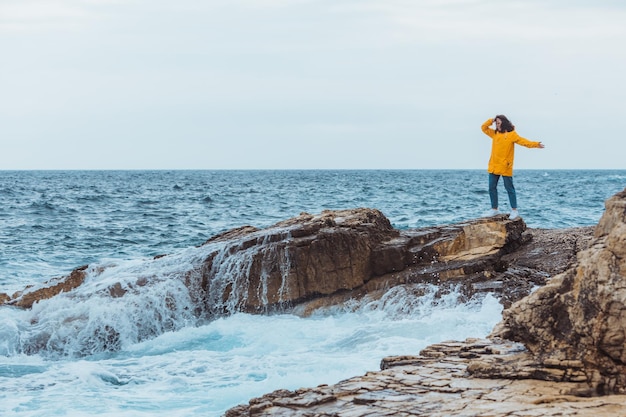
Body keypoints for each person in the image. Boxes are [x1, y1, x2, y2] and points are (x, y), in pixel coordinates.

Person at [481, 115, 544, 220]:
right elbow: (483, 127)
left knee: (509, 188)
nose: (497, 125)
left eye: (498, 123)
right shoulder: (495, 134)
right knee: (491, 188)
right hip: (494, 165)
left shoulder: (511, 135)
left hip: (506, 166)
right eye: (496, 123)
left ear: (504, 123)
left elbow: (524, 142)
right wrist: (491, 120)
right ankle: (494, 209)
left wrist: (535, 144)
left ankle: (514, 210)